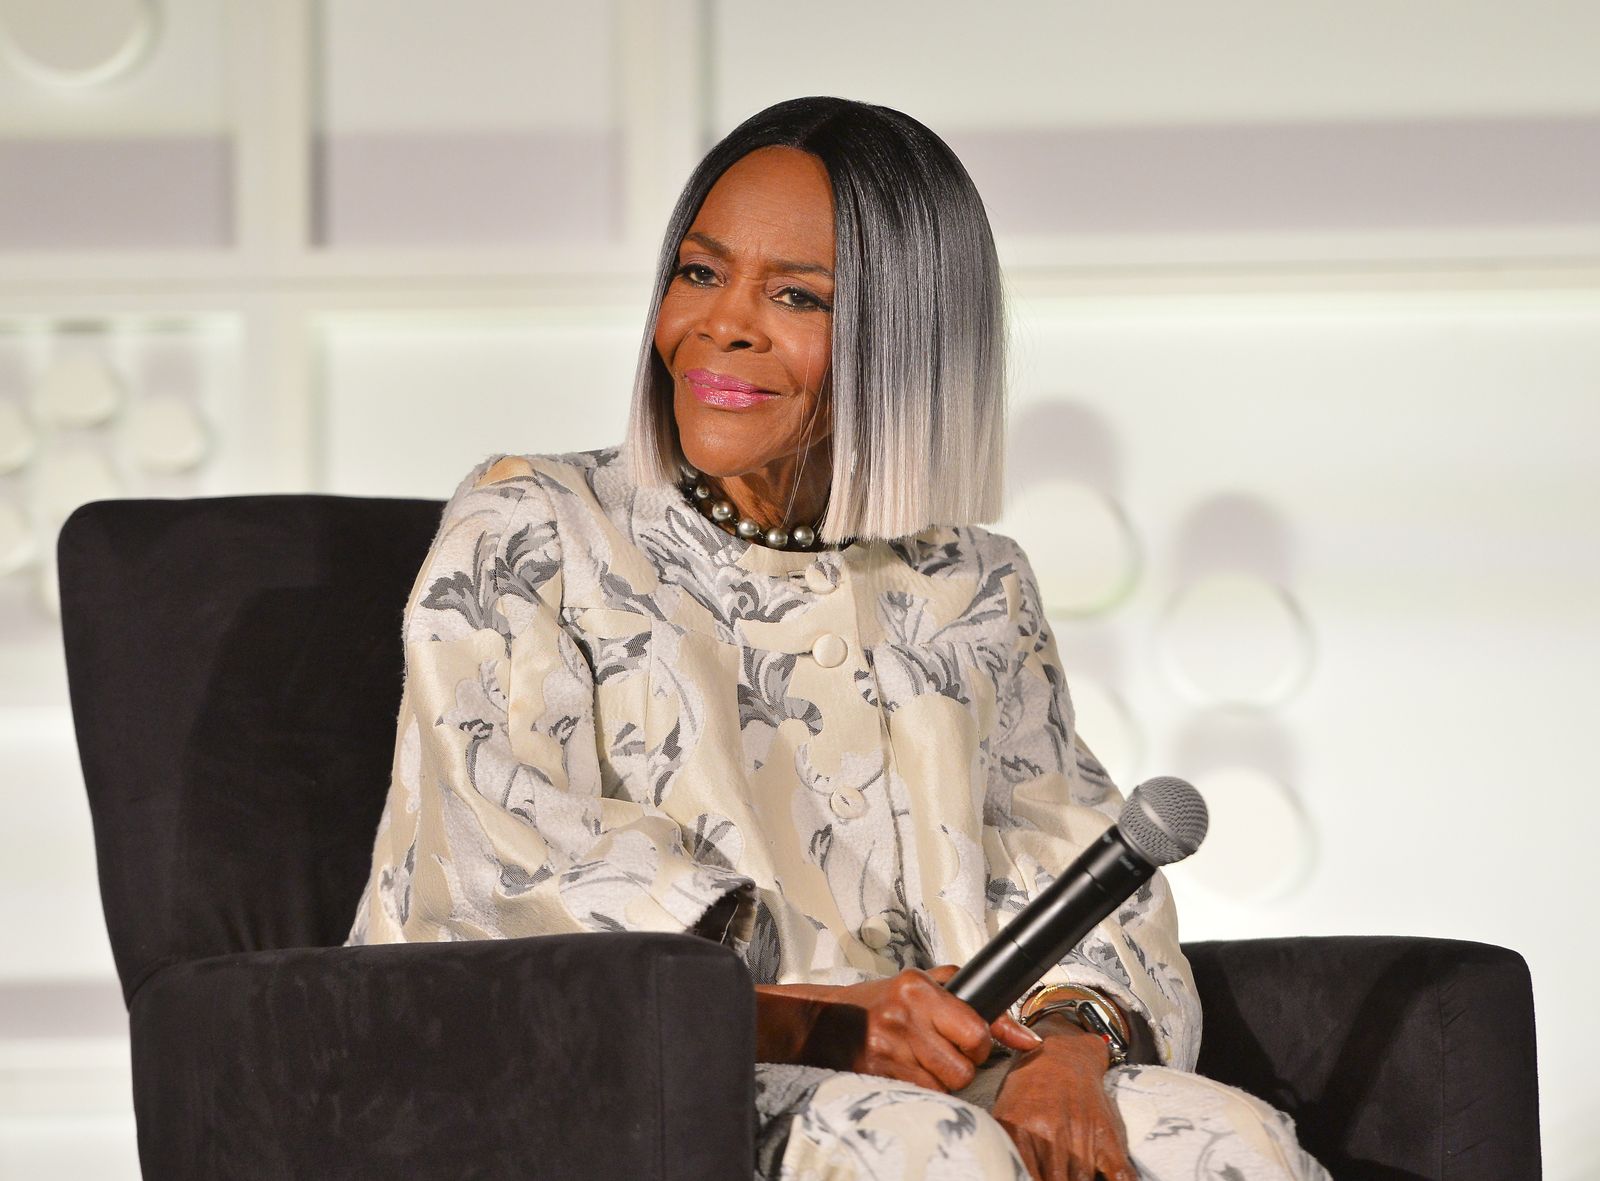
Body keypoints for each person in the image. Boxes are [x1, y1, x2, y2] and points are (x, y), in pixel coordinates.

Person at [347, 96, 1329, 1181]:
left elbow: (1058, 844)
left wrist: (1064, 1050)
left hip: (933, 1062)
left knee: (1226, 1142)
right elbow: (515, 858)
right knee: (932, 1149)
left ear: (902, 337)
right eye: (699, 272)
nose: (723, 325)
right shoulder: (529, 523)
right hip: (620, 1075)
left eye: (798, 295)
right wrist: (824, 1019)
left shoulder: (972, 583)